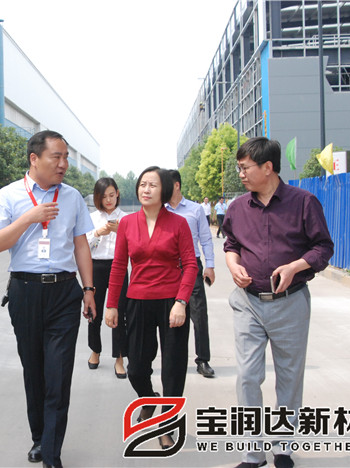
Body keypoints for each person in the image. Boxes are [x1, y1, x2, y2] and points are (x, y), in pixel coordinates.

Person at [0, 130, 96, 468]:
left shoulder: (72, 197)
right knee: (34, 371)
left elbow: (81, 244)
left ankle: (51, 453)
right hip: (25, 291)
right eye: (56, 157)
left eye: (66, 158)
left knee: (58, 374)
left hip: (64, 292)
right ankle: (39, 437)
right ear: (34, 159)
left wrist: (89, 290)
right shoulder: (9, 195)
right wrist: (29, 218)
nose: (63, 164)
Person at [223, 137, 333, 468]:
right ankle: (253, 453)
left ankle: (282, 448)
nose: (241, 174)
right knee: (247, 376)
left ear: (268, 167)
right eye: (239, 167)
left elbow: (323, 247)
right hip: (248, 302)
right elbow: (231, 244)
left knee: (289, 377)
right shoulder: (238, 208)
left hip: (291, 303)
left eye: (245, 168)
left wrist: (295, 266)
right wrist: (233, 266)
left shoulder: (304, 202)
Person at [105, 167, 197, 449]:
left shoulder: (179, 223)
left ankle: (167, 424)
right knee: (136, 368)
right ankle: (148, 399)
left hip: (172, 303)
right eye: (142, 184)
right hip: (138, 301)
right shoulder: (127, 223)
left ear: (164, 190)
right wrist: (111, 304)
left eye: (152, 185)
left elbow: (190, 265)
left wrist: (181, 301)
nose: (145, 189)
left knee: (173, 368)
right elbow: (119, 265)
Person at [166, 170, 216, 378]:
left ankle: (203, 360)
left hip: (191, 265)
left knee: (199, 313)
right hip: (168, 267)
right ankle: (175, 361)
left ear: (176, 185)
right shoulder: (160, 210)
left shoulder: (195, 210)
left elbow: (205, 239)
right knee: (172, 314)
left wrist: (210, 265)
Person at [84, 177, 129, 378]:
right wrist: (97, 233)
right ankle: (95, 350)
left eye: (111, 195)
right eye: (104, 197)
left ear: (117, 194)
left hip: (119, 267)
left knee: (120, 312)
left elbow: (134, 246)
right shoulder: (92, 218)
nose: (108, 200)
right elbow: (85, 247)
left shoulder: (126, 218)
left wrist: (122, 232)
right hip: (96, 266)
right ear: (98, 198)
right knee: (94, 311)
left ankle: (119, 357)